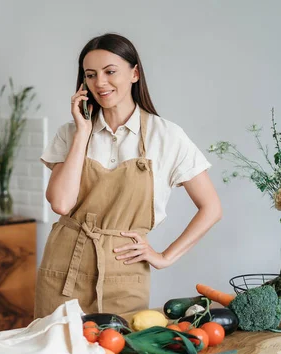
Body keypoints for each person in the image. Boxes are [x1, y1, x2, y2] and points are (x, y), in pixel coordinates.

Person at [35, 33, 222, 318]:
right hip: (64, 267)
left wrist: (164, 257)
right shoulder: (70, 133)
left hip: (125, 270)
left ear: (134, 73)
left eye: (110, 72)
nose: (100, 82)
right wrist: (82, 133)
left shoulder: (167, 136)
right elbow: (61, 204)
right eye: (91, 75)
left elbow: (211, 208)